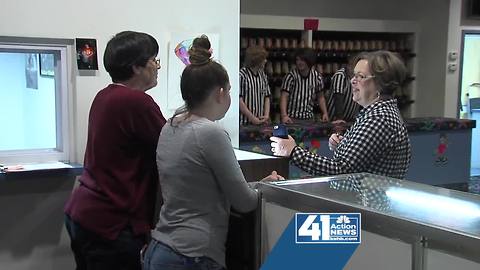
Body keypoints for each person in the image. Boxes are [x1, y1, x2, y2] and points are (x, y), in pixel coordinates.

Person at [143, 35, 281, 270]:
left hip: (161, 247)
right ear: (220, 93)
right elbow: (245, 202)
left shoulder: (171, 125)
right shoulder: (210, 133)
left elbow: (202, 187)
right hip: (192, 255)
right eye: (228, 91)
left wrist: (257, 184)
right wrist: (264, 188)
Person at [64, 31, 166, 270]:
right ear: (136, 67)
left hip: (85, 212)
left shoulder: (105, 96)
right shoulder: (136, 102)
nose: (157, 66)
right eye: (154, 59)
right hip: (112, 221)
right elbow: (173, 147)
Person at [271, 50, 411, 179]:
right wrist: (343, 144)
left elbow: (342, 169)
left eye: (360, 76)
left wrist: (293, 152)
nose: (353, 81)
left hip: (364, 203)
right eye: (353, 75)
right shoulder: (377, 114)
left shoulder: (378, 119)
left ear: (380, 83)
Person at [280, 48, 328, 124]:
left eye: (302, 60)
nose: (299, 62)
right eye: (297, 60)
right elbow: (284, 97)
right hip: (292, 118)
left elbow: (320, 97)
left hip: (309, 118)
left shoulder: (316, 77)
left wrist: (325, 113)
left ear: (308, 61)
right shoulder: (291, 76)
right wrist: (284, 115)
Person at [326, 54, 364, 122]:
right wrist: (339, 118)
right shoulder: (340, 75)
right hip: (336, 119)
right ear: (347, 65)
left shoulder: (358, 77)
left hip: (351, 118)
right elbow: (338, 97)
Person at [239, 46, 271, 125]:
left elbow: (267, 96)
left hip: (261, 121)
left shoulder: (262, 75)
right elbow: (239, 100)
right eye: (263, 59)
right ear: (257, 60)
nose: (265, 61)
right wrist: (252, 118)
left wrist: (266, 115)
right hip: (245, 123)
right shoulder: (242, 75)